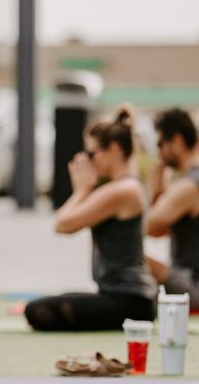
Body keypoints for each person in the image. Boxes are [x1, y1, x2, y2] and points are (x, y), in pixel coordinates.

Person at [24, 107, 156, 331]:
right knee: (58, 300)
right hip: (121, 295)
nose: (89, 161)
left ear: (113, 149)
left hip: (131, 300)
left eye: (92, 154)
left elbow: (63, 225)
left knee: (37, 310)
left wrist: (81, 191)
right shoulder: (123, 187)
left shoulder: (124, 190)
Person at [146, 108, 199, 310]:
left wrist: (150, 189)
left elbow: (142, 227)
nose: (158, 152)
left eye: (160, 144)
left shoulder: (192, 185)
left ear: (176, 141)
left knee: (128, 253)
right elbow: (159, 231)